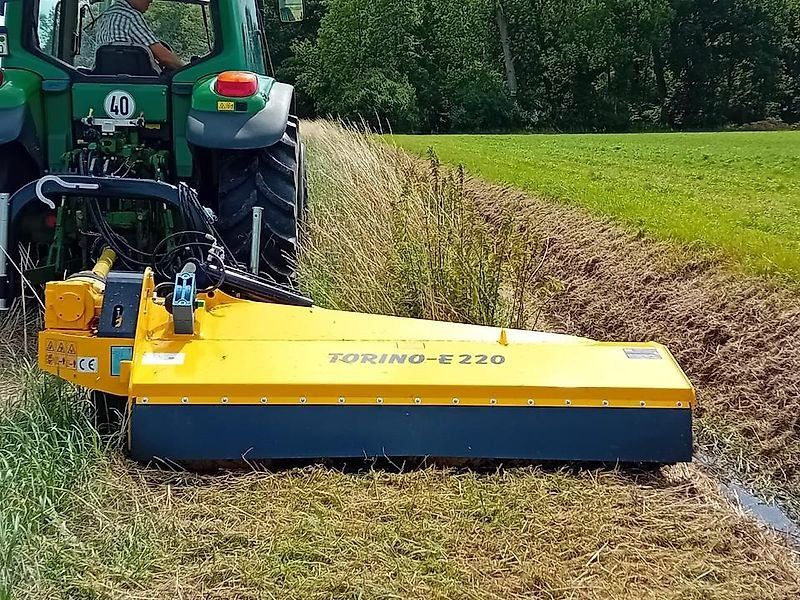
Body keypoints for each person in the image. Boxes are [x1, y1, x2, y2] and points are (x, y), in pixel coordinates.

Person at [95, 0, 184, 71]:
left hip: (105, 78)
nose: (151, 1)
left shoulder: (106, 15)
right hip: (137, 80)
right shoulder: (130, 16)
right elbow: (163, 57)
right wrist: (186, 70)